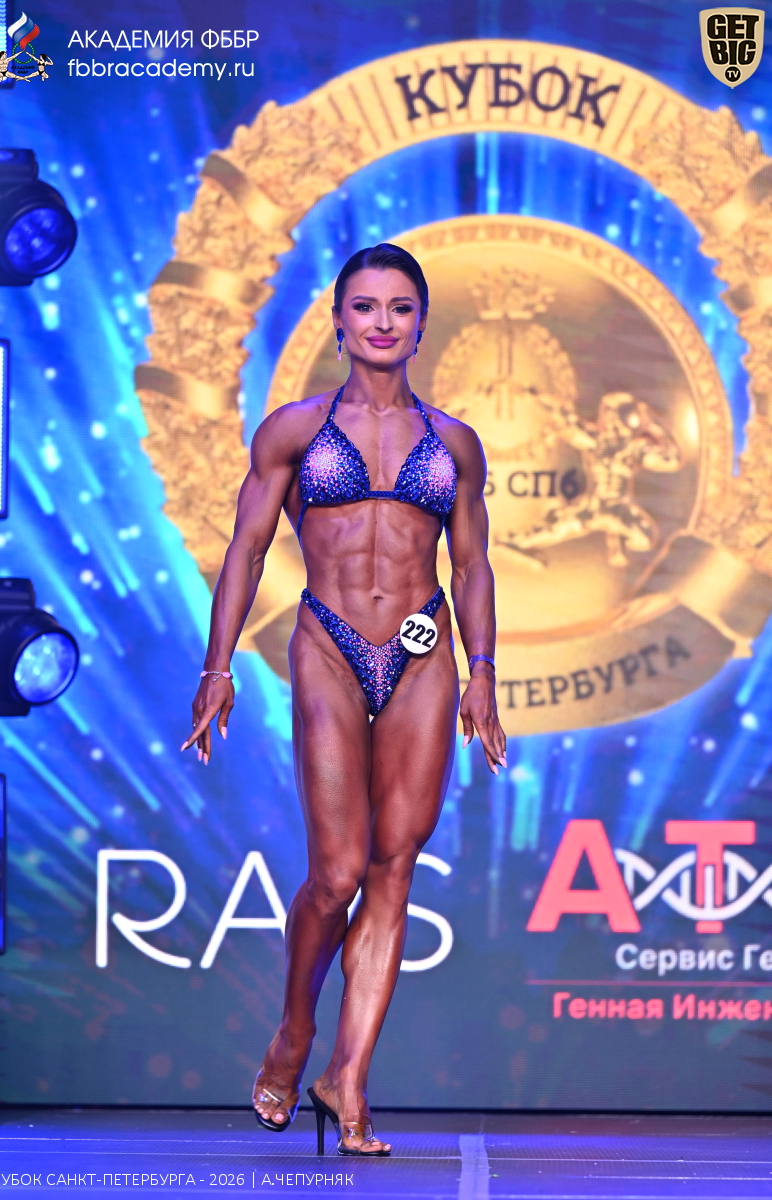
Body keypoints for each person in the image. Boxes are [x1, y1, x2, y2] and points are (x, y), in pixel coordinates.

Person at [182, 243, 506, 1156]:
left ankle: (348, 1080)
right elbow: (247, 549)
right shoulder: (292, 430)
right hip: (328, 641)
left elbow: (471, 565)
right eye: (364, 306)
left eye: (400, 308)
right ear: (337, 321)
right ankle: (293, 1034)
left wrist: (482, 671)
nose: (381, 322)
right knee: (336, 874)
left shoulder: (453, 442)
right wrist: (216, 668)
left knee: (393, 867)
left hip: (421, 648)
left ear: (420, 323)